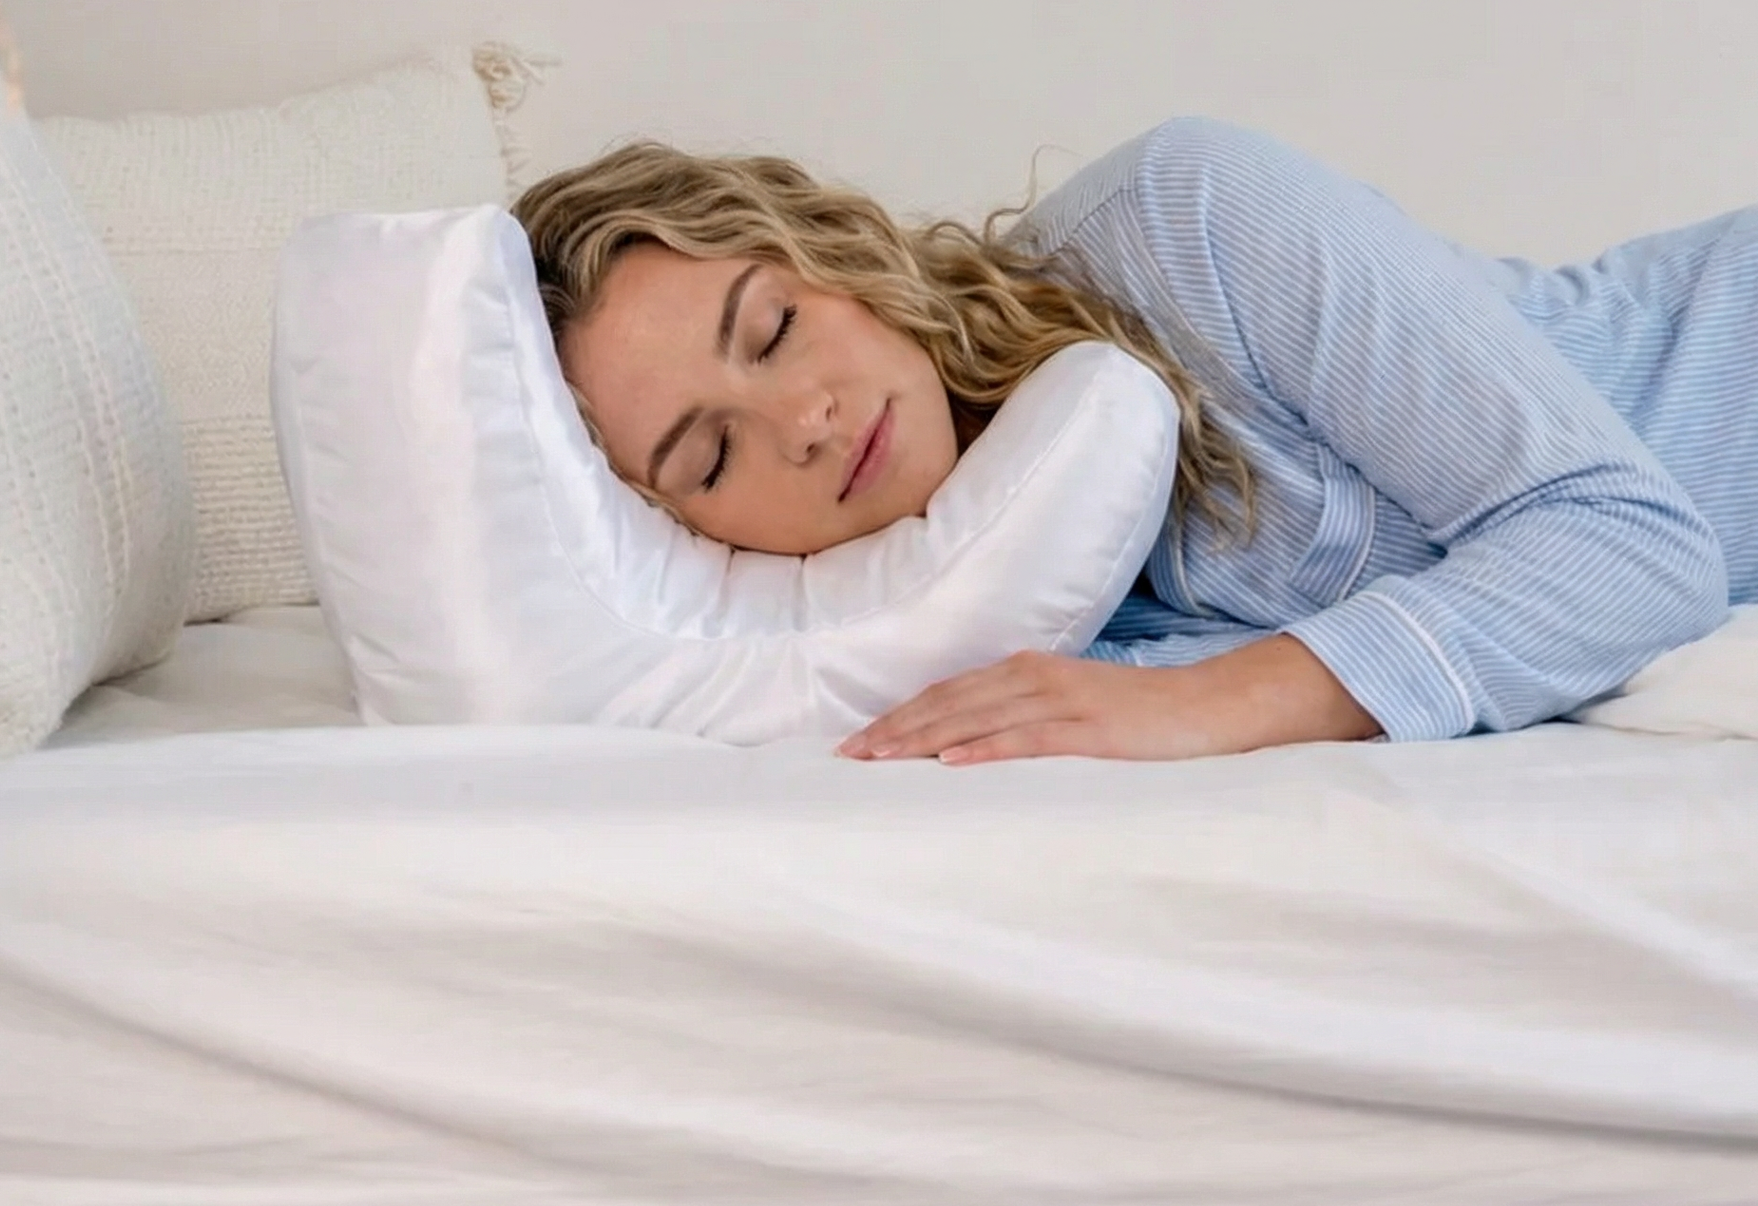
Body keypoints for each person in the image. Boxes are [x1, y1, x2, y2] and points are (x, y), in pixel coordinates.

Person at [511, 117, 1753, 765]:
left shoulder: (1185, 220)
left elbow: (1633, 546)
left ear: (830, 249)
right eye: (709, 459)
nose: (803, 423)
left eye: (774, 327)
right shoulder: (904, 635)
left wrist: (1223, 701)